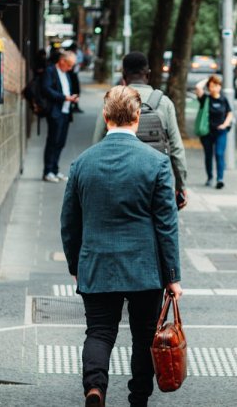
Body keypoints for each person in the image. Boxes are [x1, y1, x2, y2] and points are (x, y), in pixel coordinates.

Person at [61, 85, 183, 407]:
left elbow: (69, 223)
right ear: (137, 116)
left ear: (105, 116)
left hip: (97, 264)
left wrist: (77, 266)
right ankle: (138, 399)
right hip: (144, 268)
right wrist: (172, 276)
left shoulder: (82, 164)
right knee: (143, 337)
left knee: (99, 332)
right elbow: (166, 226)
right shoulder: (156, 163)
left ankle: (95, 389)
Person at [92, 51, 188, 209]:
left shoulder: (112, 101)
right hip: (155, 178)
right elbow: (177, 148)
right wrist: (181, 186)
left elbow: (97, 141)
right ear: (148, 74)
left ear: (124, 75)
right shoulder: (164, 103)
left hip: (118, 176)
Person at [41, 50, 78, 183]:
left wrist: (72, 98)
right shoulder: (50, 71)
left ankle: (55, 170)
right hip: (55, 112)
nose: (70, 68)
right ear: (62, 61)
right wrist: (64, 97)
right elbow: (46, 89)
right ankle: (48, 171)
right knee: (53, 141)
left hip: (65, 112)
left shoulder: (66, 74)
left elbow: (67, 89)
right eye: (69, 65)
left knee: (60, 143)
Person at [195, 75, 233, 189]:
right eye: (211, 86)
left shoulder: (223, 99)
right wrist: (208, 79)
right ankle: (210, 177)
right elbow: (198, 87)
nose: (213, 88)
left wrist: (225, 124)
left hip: (221, 131)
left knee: (219, 154)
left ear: (220, 86)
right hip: (207, 132)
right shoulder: (205, 99)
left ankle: (220, 179)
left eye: (216, 85)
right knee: (208, 155)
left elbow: (229, 113)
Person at [67, 43, 84, 113]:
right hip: (70, 74)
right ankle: (72, 105)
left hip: (74, 74)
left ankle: (75, 105)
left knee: (76, 90)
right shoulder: (69, 55)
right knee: (72, 90)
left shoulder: (76, 54)